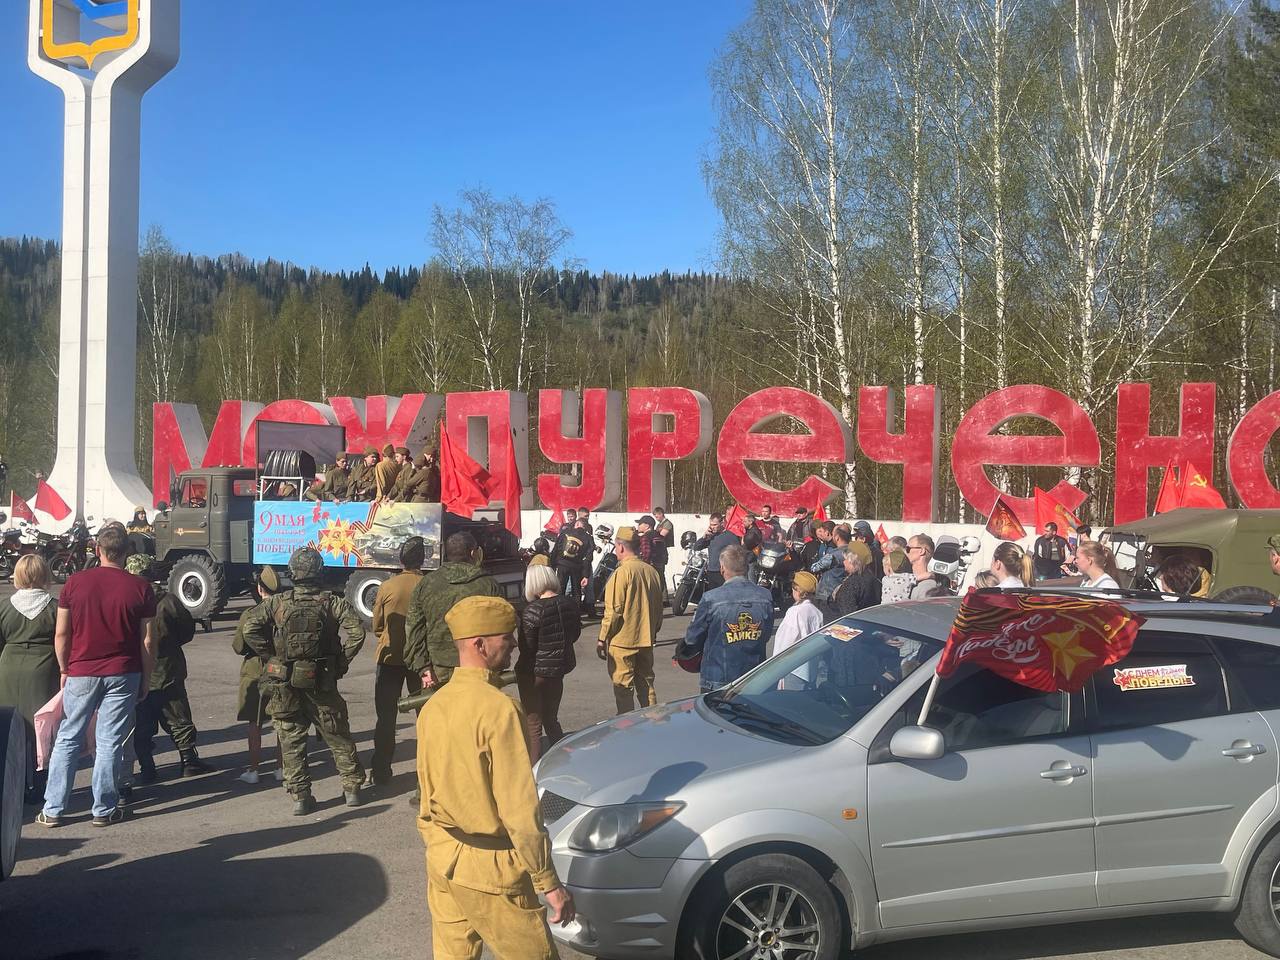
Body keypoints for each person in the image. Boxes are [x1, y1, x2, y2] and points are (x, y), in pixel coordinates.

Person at [416, 595, 574, 959]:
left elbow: (426, 789)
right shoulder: (500, 710)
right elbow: (519, 809)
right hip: (490, 869)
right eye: (507, 637)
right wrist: (548, 882)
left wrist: (432, 837)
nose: (514, 644)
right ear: (479, 644)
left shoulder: (433, 706)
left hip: (443, 857)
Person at [39, 525, 157, 828]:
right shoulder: (141, 588)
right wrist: (146, 677)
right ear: (128, 552)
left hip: (82, 669)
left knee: (68, 737)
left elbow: (62, 633)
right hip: (124, 671)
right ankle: (103, 809)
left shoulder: (74, 584)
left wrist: (64, 668)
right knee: (109, 742)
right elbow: (147, 640)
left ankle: (53, 808)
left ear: (97, 550)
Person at [240, 547, 367, 814]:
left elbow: (249, 627)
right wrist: (341, 661)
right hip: (322, 681)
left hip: (284, 681)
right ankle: (352, 789)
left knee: (291, 739)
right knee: (337, 735)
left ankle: (300, 797)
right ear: (320, 572)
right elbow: (357, 633)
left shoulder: (278, 602)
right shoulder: (332, 602)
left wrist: (270, 655)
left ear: (293, 573)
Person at [125, 554, 214, 781]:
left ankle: (147, 768)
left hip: (135, 671)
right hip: (168, 669)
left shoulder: (125, 601)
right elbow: (186, 631)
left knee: (141, 725)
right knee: (178, 718)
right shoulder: (168, 601)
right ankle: (189, 761)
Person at [367, 537, 428, 788]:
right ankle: (428, 771)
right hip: (420, 659)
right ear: (422, 560)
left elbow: (377, 625)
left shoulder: (388, 586)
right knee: (425, 716)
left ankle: (381, 771)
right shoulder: (428, 585)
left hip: (390, 657)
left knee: (386, 717)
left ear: (400, 560)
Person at [404, 532, 501, 689]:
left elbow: (414, 629)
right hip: (478, 666)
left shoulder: (426, 583)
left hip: (437, 669)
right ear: (472, 553)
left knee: (439, 712)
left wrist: (423, 667)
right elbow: (500, 629)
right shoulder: (489, 584)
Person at [0, 554, 59, 802]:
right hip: (44, 670)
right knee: (44, 729)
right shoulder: (56, 607)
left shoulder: (4, 607)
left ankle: (15, 784)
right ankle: (40, 782)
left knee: (12, 729)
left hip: (9, 669)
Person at [678, 545, 774, 693]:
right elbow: (766, 634)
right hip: (753, 677)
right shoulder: (765, 596)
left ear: (722, 568)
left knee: (714, 716)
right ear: (746, 568)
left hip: (718, 678)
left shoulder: (711, 598)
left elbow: (692, 638)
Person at [516, 563, 579, 763]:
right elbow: (575, 634)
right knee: (552, 719)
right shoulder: (570, 604)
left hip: (534, 673)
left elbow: (527, 647)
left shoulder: (531, 611)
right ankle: (565, 761)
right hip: (558, 669)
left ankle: (532, 772)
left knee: (533, 726)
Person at [598, 526, 664, 714]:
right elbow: (659, 608)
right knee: (647, 685)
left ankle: (626, 728)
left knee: (623, 689)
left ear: (620, 547)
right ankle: (653, 722)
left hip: (623, 641)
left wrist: (602, 638)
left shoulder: (621, 573)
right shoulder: (652, 572)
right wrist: (653, 631)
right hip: (646, 639)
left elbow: (614, 611)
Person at [231, 566, 283, 785]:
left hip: (254, 669)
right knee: (282, 719)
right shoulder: (284, 612)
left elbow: (238, 646)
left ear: (260, 589)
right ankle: (281, 767)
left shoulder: (250, 614)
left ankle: (253, 769)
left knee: (255, 722)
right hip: (280, 669)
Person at [771, 570, 824, 661]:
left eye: (793, 588)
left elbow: (784, 644)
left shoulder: (795, 612)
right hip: (810, 664)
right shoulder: (817, 612)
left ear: (798, 591)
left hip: (793, 666)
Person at [826, 547, 880, 620]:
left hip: (852, 624)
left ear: (852, 562)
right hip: (871, 620)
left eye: (845, 559)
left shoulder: (852, 583)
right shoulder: (872, 578)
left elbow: (847, 613)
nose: (843, 562)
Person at [692, 513, 740, 590]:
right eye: (711, 525)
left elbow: (738, 555)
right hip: (711, 571)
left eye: (715, 525)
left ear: (722, 523)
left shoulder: (730, 537)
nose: (712, 527)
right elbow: (696, 547)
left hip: (724, 573)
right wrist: (704, 537)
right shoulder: (710, 536)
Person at [551, 519, 591, 606]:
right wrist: (585, 575)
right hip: (577, 567)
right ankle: (576, 612)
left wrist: (552, 564)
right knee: (576, 591)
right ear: (585, 527)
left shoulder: (565, 532)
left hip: (562, 565)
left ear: (576, 524)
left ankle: (559, 610)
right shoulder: (588, 538)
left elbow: (556, 548)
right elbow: (588, 558)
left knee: (560, 588)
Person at [906, 534, 947, 600]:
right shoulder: (905, 579)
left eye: (908, 549)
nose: (905, 552)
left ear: (921, 551)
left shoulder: (928, 586)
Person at [635, 515, 669, 591]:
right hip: (660, 566)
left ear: (647, 526)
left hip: (649, 567)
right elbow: (665, 553)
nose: (638, 526)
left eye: (640, 524)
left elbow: (646, 552)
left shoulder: (645, 537)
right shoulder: (660, 537)